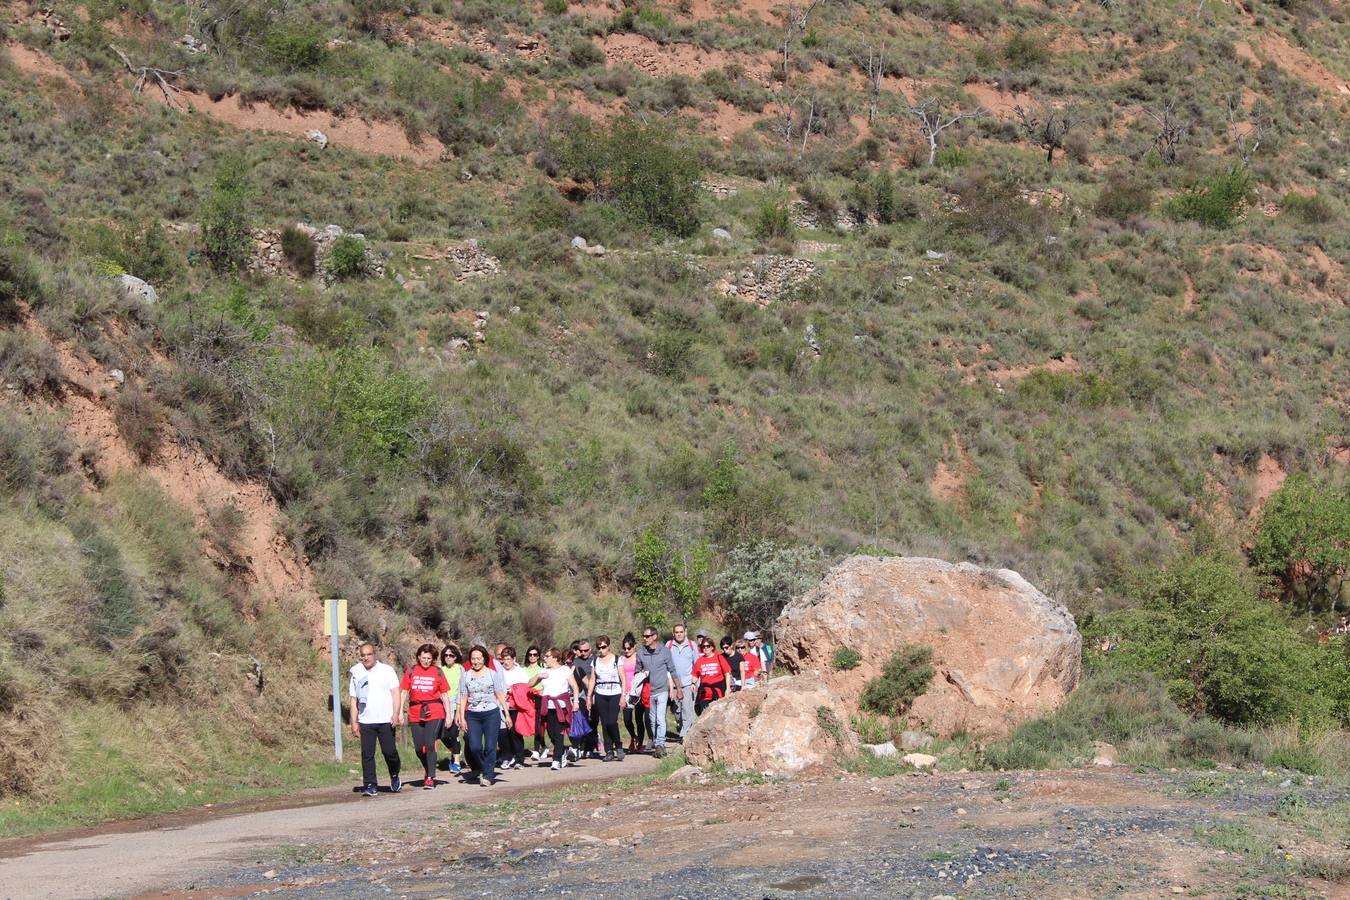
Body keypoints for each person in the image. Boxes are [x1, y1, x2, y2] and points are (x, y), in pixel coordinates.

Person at [348, 643, 402, 797]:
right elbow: (353, 700)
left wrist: (396, 713)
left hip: (386, 719)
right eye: (363, 655)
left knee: (389, 752)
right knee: (367, 754)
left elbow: (395, 693)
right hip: (366, 720)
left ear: (375, 655)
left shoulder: (387, 671)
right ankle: (370, 784)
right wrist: (354, 722)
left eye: (368, 654)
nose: (366, 658)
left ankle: (394, 774)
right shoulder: (356, 673)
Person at [399, 643, 452, 790]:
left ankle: (430, 777)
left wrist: (448, 716)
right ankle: (428, 768)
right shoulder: (411, 671)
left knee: (429, 743)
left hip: (435, 711)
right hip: (415, 712)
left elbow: (444, 695)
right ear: (418, 657)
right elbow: (403, 692)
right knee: (418, 748)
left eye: (429, 658)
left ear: (433, 659)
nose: (426, 661)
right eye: (423, 658)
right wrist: (399, 712)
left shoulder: (438, 672)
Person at [455, 645, 508, 786]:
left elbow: (500, 694)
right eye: (473, 658)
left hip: (491, 714)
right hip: (473, 715)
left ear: (484, 659)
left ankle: (488, 776)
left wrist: (506, 714)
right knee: (474, 747)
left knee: (490, 747)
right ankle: (485, 768)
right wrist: (462, 717)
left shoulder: (492, 674)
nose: (476, 661)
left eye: (479, 658)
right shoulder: (465, 675)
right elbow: (463, 697)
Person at [529, 647, 581, 771]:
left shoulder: (564, 670)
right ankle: (562, 751)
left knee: (558, 733)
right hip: (547, 706)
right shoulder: (544, 671)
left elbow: (575, 686)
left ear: (555, 657)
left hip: (561, 706)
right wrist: (538, 676)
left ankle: (556, 760)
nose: (545, 658)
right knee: (551, 733)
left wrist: (576, 702)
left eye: (547, 656)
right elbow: (529, 684)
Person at [636, 626, 681, 758]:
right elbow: (637, 670)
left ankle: (660, 744)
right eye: (644, 636)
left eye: (647, 636)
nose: (645, 639)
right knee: (652, 720)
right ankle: (657, 743)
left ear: (654, 637)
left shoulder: (665, 651)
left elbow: (672, 670)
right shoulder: (641, 652)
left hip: (662, 690)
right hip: (648, 692)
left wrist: (678, 689)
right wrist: (640, 674)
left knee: (660, 718)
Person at [589, 635, 626, 762]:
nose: (601, 650)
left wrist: (623, 696)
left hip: (615, 693)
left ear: (608, 646)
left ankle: (618, 745)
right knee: (604, 723)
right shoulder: (595, 661)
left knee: (611, 722)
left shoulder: (617, 659)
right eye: (599, 647)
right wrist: (589, 697)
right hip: (600, 693)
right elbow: (593, 679)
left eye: (604, 647)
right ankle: (609, 750)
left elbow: (623, 678)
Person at [497, 646, 529, 770]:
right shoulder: (499, 671)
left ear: (514, 659)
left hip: (516, 706)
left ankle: (519, 758)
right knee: (503, 733)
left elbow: (525, 687)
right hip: (502, 705)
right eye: (504, 659)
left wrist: (513, 689)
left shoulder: (520, 671)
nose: (506, 662)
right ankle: (506, 756)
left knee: (515, 732)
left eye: (509, 659)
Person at [666, 624, 698, 741]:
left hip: (688, 684)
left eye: (681, 632)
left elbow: (697, 665)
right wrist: (669, 685)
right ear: (673, 633)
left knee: (687, 710)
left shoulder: (692, 645)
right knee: (676, 711)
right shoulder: (668, 645)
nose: (679, 634)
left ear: (685, 632)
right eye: (677, 632)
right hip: (673, 685)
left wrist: (695, 683)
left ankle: (684, 735)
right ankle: (683, 729)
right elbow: (666, 666)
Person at [439, 644, 464, 775]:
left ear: (456, 657)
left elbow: (462, 689)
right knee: (442, 734)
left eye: (451, 655)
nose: (448, 657)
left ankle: (456, 762)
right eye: (446, 655)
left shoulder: (460, 669)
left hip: (456, 704)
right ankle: (456, 751)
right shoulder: (439, 669)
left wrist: (460, 711)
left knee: (454, 733)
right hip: (441, 704)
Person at [691, 636, 732, 715]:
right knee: (703, 711)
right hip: (705, 689)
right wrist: (693, 683)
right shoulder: (700, 660)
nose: (706, 648)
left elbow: (727, 673)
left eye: (708, 646)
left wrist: (728, 689)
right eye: (703, 646)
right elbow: (695, 675)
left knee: (719, 712)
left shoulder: (719, 657)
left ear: (712, 647)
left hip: (719, 688)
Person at [619, 633, 647, 752]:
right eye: (624, 648)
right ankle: (633, 736)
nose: (627, 651)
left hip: (638, 692)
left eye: (629, 648)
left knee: (639, 719)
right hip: (626, 692)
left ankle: (640, 743)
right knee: (626, 719)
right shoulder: (621, 659)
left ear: (634, 646)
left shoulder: (639, 657)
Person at [571, 638, 597, 759]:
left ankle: (590, 748)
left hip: (596, 694)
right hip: (581, 695)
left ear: (590, 649)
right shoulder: (576, 662)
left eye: (586, 650)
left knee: (593, 722)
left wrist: (592, 695)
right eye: (581, 651)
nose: (583, 653)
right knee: (583, 720)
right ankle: (580, 746)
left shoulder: (595, 660)